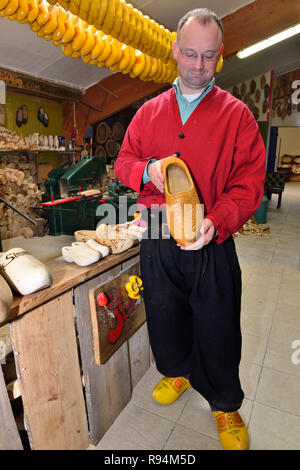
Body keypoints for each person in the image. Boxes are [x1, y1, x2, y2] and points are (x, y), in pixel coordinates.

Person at [114, 8, 266, 451]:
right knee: (165, 315)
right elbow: (123, 163)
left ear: (220, 56)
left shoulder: (237, 116)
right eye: (191, 54)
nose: (199, 66)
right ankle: (178, 372)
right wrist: (147, 170)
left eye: (209, 56)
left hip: (210, 236)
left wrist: (217, 221)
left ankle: (223, 403)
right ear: (175, 51)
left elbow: (249, 183)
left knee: (218, 324)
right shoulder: (148, 112)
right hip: (159, 234)